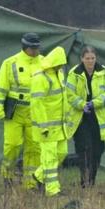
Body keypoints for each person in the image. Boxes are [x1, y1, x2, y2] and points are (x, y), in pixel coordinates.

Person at [0, 32, 43, 190]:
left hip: (35, 112)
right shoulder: (10, 63)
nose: (35, 51)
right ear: (25, 47)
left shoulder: (45, 63)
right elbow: (1, 88)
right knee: (12, 145)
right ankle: (7, 175)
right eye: (32, 48)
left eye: (37, 48)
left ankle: (30, 183)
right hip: (14, 112)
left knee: (34, 147)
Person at [66, 45, 105, 188]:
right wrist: (82, 104)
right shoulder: (74, 73)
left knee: (98, 150)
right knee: (84, 149)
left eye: (92, 58)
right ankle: (84, 181)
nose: (90, 61)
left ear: (96, 58)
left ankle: (92, 181)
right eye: (87, 58)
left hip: (98, 117)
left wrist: (96, 103)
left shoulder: (104, 72)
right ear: (82, 59)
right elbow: (69, 94)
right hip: (81, 118)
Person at [30, 46, 74, 197]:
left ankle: (38, 176)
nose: (62, 65)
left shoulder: (59, 74)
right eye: (60, 63)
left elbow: (62, 99)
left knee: (62, 153)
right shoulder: (40, 77)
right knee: (50, 158)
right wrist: (43, 126)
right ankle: (52, 191)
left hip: (60, 127)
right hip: (46, 128)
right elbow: (37, 104)